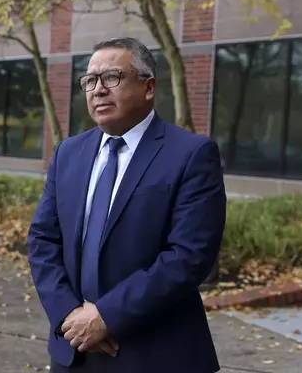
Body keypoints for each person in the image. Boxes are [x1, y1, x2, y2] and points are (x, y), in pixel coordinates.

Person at [27, 37, 227, 373]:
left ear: (148, 87)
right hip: (75, 349)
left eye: (112, 77)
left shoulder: (191, 154)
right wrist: (69, 314)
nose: (98, 89)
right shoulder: (68, 153)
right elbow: (42, 239)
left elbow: (189, 256)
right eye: (90, 80)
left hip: (155, 354)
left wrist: (107, 316)